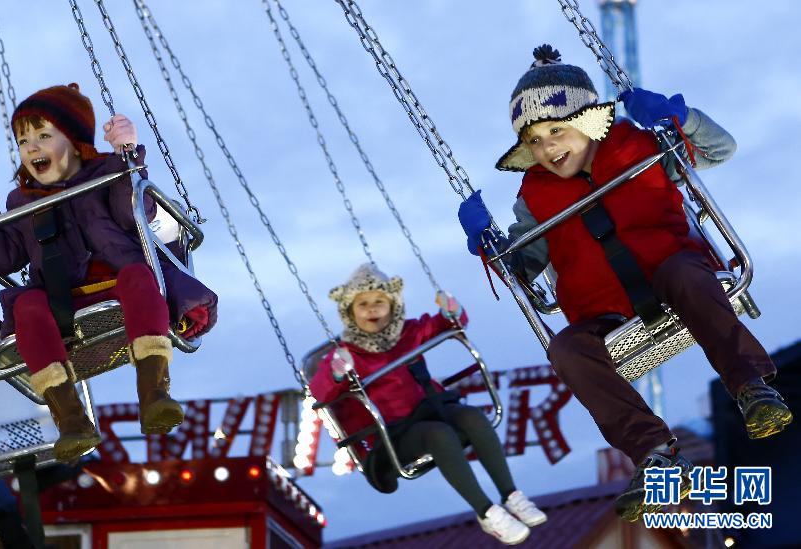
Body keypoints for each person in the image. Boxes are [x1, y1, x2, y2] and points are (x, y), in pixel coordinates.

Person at [458, 45, 792, 521]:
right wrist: (492, 247)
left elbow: (720, 149)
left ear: (589, 121)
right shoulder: (533, 198)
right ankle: (654, 452)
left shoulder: (643, 146)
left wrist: (680, 119)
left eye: (556, 130)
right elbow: (524, 269)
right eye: (534, 140)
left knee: (686, 274)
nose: (548, 148)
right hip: (604, 312)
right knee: (566, 350)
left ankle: (751, 387)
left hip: (672, 272)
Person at [0, 83, 218, 461]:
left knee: (140, 275)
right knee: (26, 306)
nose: (32, 148)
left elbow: (131, 214)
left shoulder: (108, 172)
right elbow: (5, 255)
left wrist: (127, 157)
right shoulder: (22, 201)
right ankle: (70, 419)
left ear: (76, 140)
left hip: (118, 286)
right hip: (62, 300)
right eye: (23, 141)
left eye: (43, 136)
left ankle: (153, 392)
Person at [310, 264, 545, 545]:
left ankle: (511, 495)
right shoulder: (347, 354)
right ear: (349, 312)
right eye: (363, 304)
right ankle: (487, 512)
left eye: (379, 301)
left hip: (430, 409)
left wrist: (451, 311)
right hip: (393, 435)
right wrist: (337, 373)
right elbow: (320, 391)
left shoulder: (408, 332)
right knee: (438, 434)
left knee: (472, 416)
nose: (372, 309)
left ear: (393, 305)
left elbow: (450, 325)